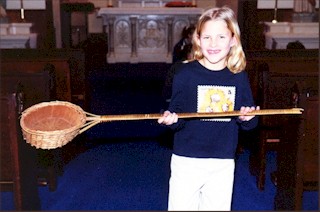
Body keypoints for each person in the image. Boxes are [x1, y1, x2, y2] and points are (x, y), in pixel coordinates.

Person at [158, 6, 260, 211]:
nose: (213, 44)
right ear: (198, 39)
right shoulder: (185, 73)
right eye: (207, 37)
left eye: (221, 37)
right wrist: (172, 119)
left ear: (233, 40)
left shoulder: (238, 76)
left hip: (222, 161)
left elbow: (251, 123)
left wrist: (247, 118)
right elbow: (177, 113)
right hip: (187, 159)